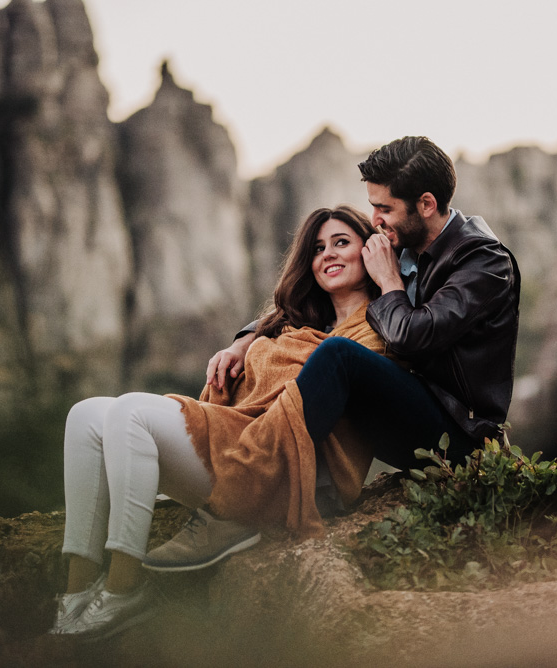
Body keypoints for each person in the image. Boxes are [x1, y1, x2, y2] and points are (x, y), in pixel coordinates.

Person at [50, 205, 386, 640]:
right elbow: (266, 347)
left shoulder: (378, 328)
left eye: (342, 242)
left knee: (131, 411)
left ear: (370, 250)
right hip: (236, 440)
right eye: (318, 248)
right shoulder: (294, 324)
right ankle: (76, 592)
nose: (328, 255)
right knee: (86, 415)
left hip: (278, 473)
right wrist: (245, 344)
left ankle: (123, 588)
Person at [190, 135, 521, 555]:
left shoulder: (484, 263)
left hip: (460, 434)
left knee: (339, 354)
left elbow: (415, 336)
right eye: (373, 206)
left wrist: (387, 282)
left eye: (384, 208)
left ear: (425, 204)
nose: (375, 219)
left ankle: (238, 503)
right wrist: (246, 339)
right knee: (318, 346)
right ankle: (301, 487)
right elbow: (314, 297)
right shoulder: (407, 246)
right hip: (409, 406)